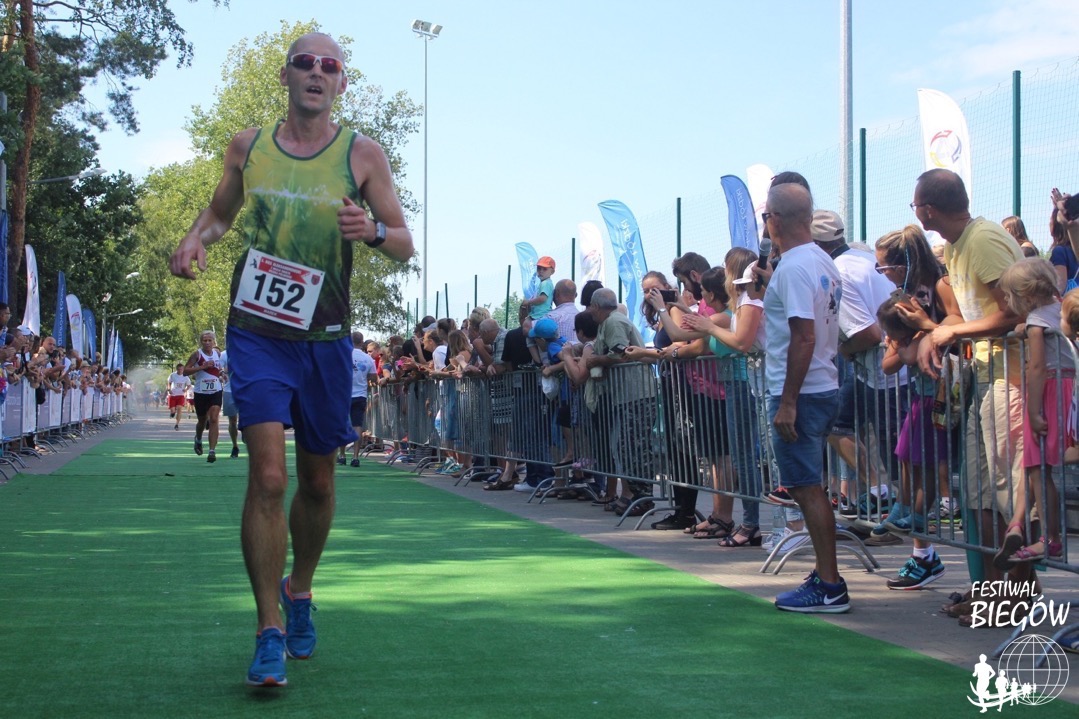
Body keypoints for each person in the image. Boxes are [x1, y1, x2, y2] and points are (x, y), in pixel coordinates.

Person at [168, 31, 414, 688]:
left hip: (325, 339)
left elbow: (404, 243)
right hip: (257, 331)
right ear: (285, 76)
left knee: (319, 482)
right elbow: (219, 214)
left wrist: (374, 230)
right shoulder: (249, 146)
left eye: (329, 66)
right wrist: (194, 240)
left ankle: (298, 586)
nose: (316, 72)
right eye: (305, 63)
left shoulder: (361, 154)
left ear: (341, 83)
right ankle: (268, 628)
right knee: (270, 477)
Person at [912, 169, 1028, 623]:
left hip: (1011, 379)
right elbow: (963, 316)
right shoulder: (959, 246)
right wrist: (933, 332)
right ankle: (995, 591)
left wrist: (950, 332)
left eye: (915, 205)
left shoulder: (982, 240)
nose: (916, 212)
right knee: (981, 495)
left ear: (928, 209)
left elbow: (1015, 311)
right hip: (986, 377)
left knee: (1008, 494)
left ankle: (1018, 596)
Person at [752, 183, 847, 613]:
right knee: (810, 487)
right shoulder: (821, 260)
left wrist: (788, 400)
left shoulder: (794, 266)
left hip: (801, 392)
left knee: (806, 488)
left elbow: (803, 337)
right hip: (821, 384)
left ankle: (830, 584)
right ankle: (827, 577)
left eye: (766, 217)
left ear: (774, 221)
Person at [993, 258, 1069, 567]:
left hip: (1050, 391)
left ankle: (1050, 538)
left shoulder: (1038, 321)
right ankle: (1019, 523)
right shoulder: (1061, 310)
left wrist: (1035, 411)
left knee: (1038, 465)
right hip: (1069, 387)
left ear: (1023, 294)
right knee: (1034, 463)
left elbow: (1037, 367)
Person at [184, 330, 224, 462]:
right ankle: (198, 439)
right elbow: (185, 371)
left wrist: (222, 374)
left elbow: (219, 368)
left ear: (213, 342)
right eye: (204, 340)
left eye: (209, 340)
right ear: (201, 342)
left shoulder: (217, 353)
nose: (207, 343)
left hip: (216, 390)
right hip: (201, 392)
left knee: (214, 419)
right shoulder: (197, 354)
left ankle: (212, 451)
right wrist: (202, 367)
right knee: (202, 421)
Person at [339, 331, 377, 468]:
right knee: (357, 425)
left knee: (343, 424)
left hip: (344, 394)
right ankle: (355, 457)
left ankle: (342, 455)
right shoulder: (368, 359)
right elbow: (373, 377)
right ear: (362, 342)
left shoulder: (343, 355)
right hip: (360, 394)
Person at [219, 345, 241, 458]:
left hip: (246, 390)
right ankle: (235, 446)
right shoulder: (224, 355)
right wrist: (223, 373)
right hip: (229, 390)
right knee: (232, 421)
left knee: (248, 418)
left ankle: (246, 432)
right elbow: (219, 370)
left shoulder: (247, 351)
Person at [167, 363, 190, 430]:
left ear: (183, 369)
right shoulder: (172, 375)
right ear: (176, 369)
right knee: (173, 410)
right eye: (178, 369)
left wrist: (186, 389)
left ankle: (177, 424)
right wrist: (169, 389)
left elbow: (189, 385)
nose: (180, 371)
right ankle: (172, 413)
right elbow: (169, 383)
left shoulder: (186, 376)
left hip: (181, 395)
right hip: (173, 395)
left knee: (179, 409)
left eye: (181, 369)